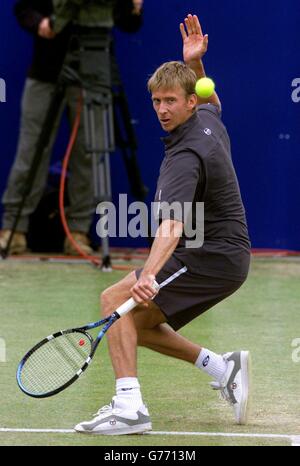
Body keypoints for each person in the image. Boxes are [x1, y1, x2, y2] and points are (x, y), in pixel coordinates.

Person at [74, 14, 251, 435]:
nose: (162, 110)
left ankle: (129, 408)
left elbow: (172, 226)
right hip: (222, 253)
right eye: (156, 102)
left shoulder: (183, 158)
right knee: (134, 323)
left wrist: (148, 276)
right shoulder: (207, 118)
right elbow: (211, 100)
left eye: (171, 100)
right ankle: (223, 368)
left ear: (187, 102)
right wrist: (196, 65)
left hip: (212, 256)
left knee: (114, 303)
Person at [0, 0, 144, 255]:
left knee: (88, 154)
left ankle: (78, 231)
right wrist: (41, 23)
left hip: (93, 71)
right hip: (46, 70)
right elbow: (24, 7)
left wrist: (133, 7)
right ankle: (14, 228)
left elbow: (128, 23)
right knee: (31, 149)